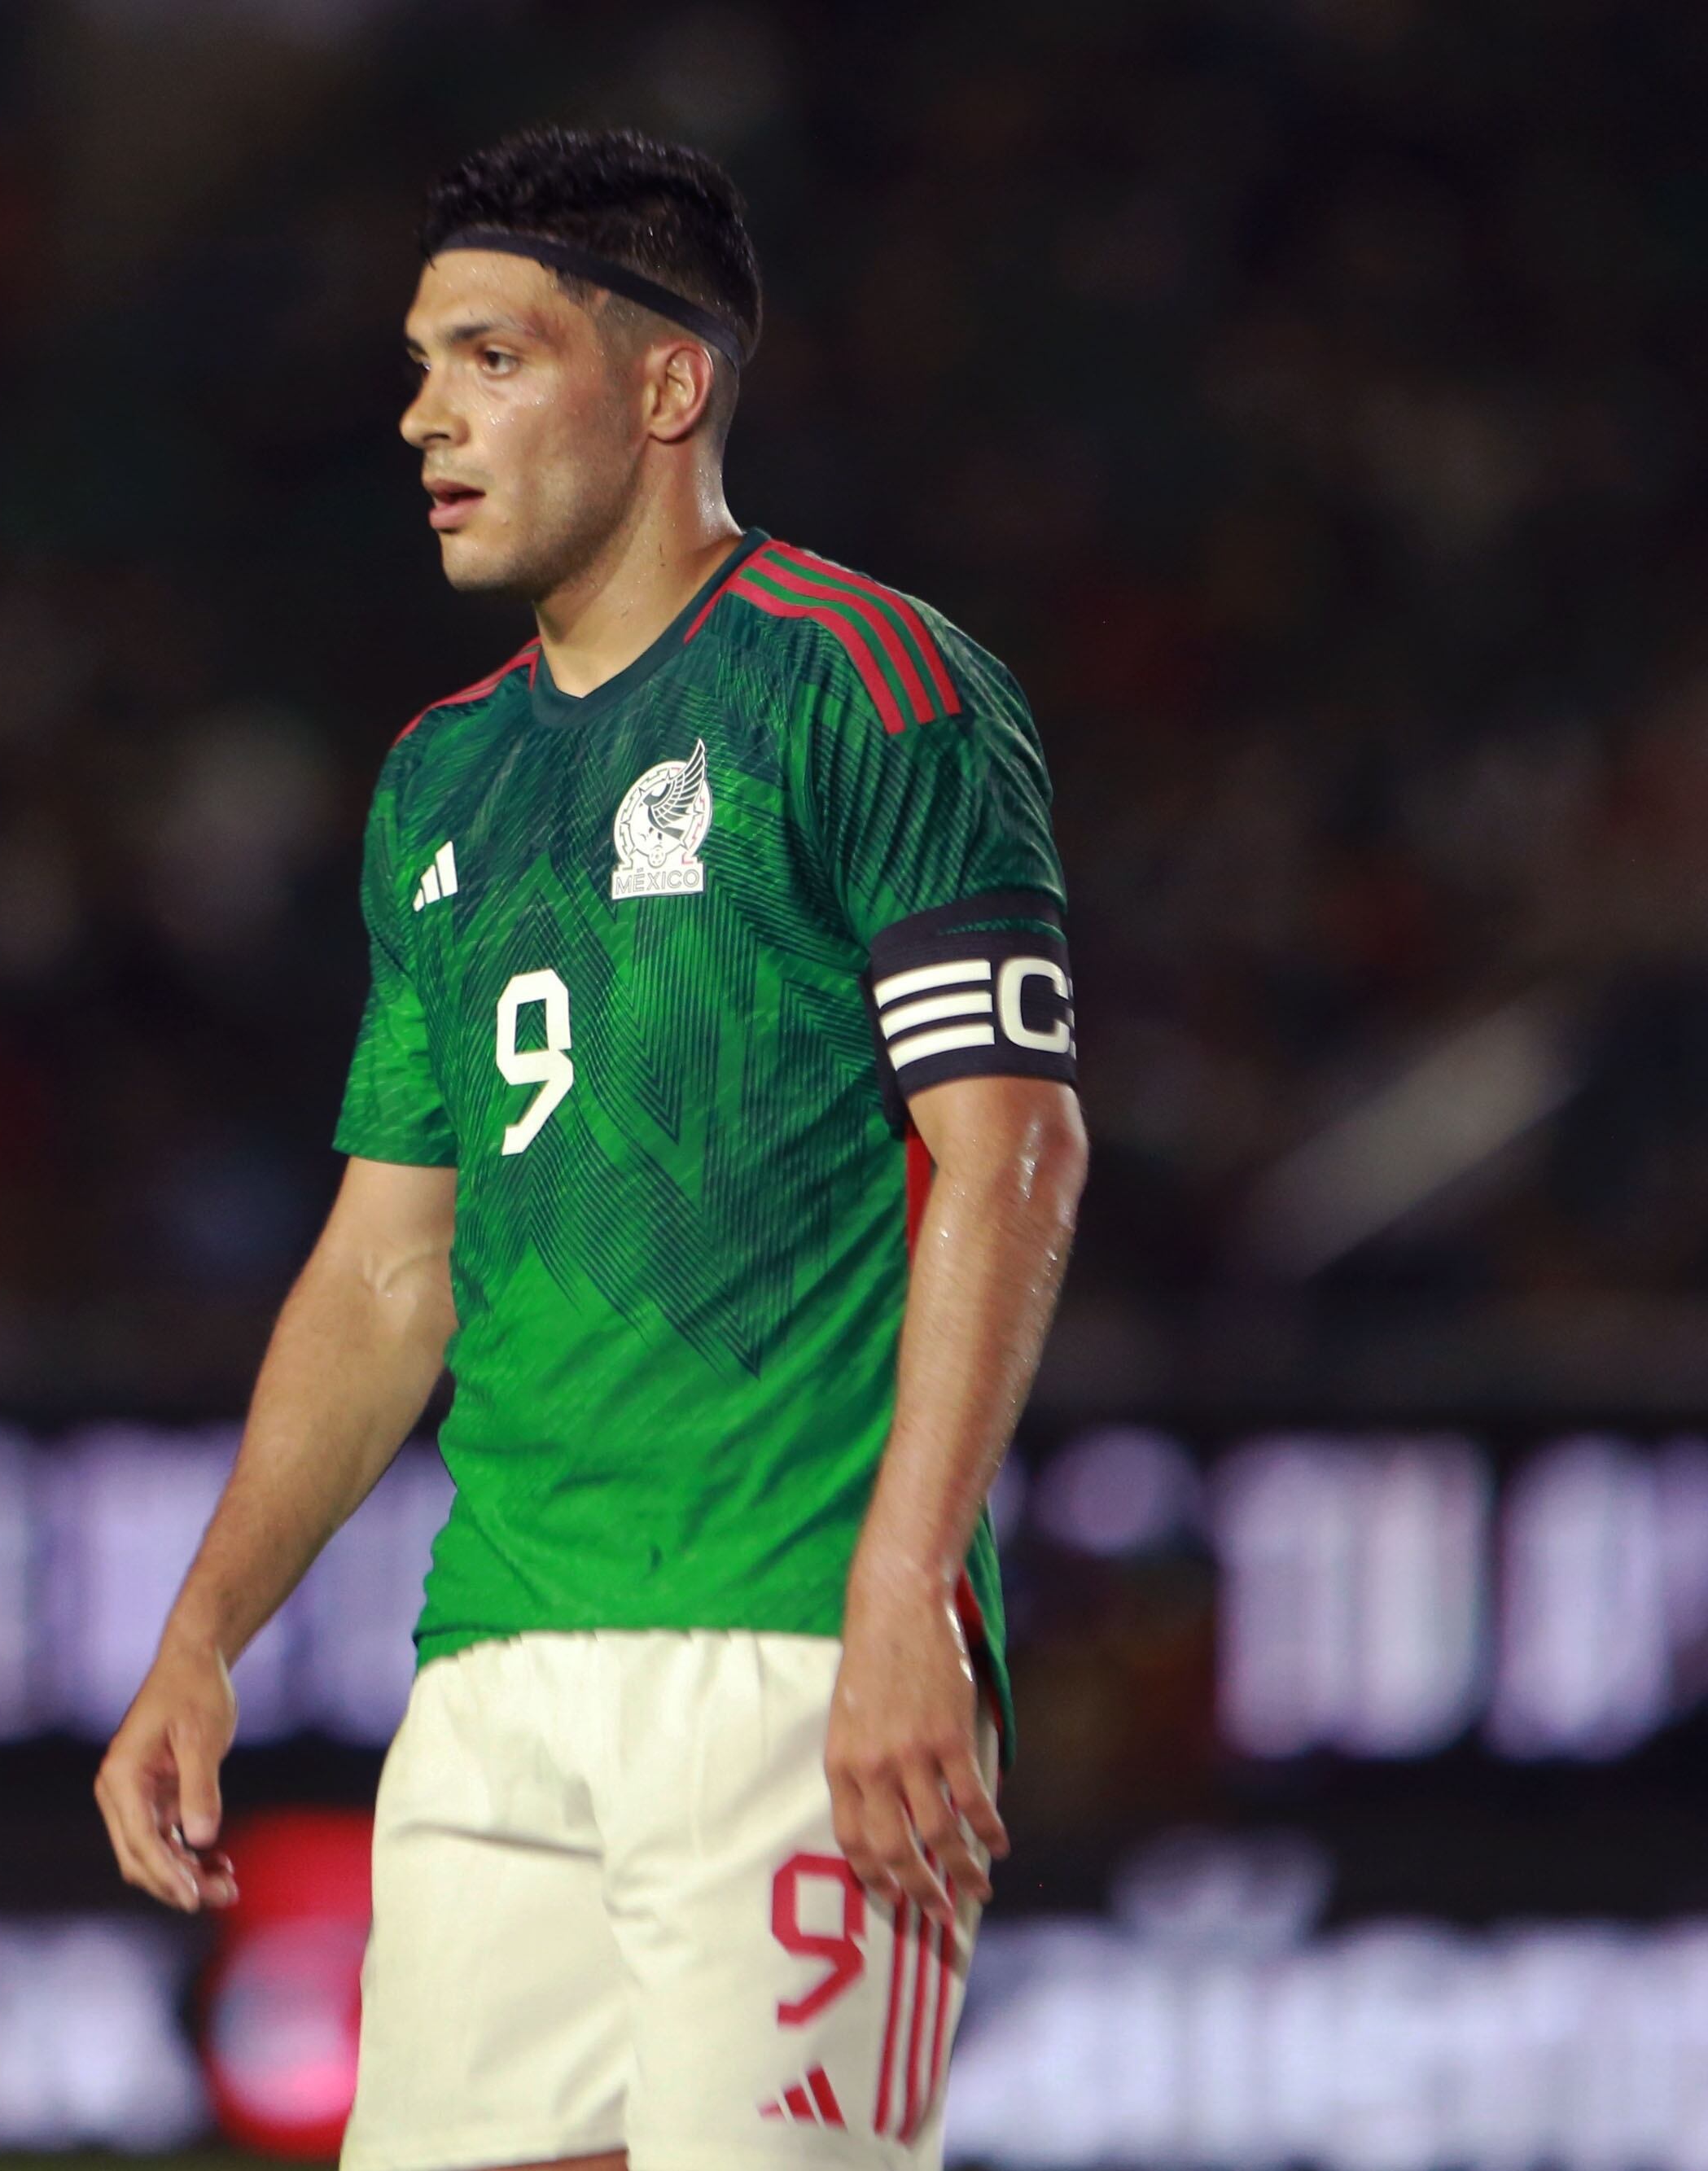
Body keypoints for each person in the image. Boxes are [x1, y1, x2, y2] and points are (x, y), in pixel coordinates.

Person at [94, 125, 1087, 2168]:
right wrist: (203, 1632)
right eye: (419, 360)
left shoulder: (872, 690)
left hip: (794, 1644)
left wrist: (912, 1588)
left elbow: (1009, 1154)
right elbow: (387, 1268)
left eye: (486, 356)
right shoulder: (436, 780)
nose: (418, 413)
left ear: (663, 388)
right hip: (494, 1668)